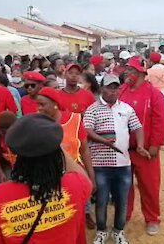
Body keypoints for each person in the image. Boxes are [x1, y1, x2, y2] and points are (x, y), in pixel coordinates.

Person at [0, 114, 92, 243]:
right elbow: (85, 180)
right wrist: (55, 145)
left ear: (17, 155)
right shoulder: (75, 185)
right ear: (56, 152)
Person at [84, 74, 148, 244]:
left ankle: (118, 231)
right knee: (102, 201)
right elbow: (87, 131)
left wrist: (140, 145)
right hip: (100, 165)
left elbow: (138, 127)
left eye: (116, 87)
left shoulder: (126, 108)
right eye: (109, 87)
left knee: (122, 201)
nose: (113, 91)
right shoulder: (92, 109)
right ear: (102, 89)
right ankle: (102, 231)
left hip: (123, 164)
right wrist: (104, 141)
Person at [119, 58, 164, 236]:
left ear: (140, 73)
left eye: (130, 70)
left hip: (145, 151)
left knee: (149, 186)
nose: (126, 73)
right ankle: (124, 215)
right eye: (126, 70)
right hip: (123, 149)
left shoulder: (154, 94)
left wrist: (155, 144)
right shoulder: (122, 91)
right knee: (124, 185)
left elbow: (159, 121)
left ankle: (152, 218)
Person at [37, 86, 97, 228]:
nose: (39, 108)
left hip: (74, 176)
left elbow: (84, 150)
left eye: (42, 104)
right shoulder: (38, 123)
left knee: (76, 220)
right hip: (49, 179)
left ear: (55, 104)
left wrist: (91, 176)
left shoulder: (75, 119)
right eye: (37, 104)